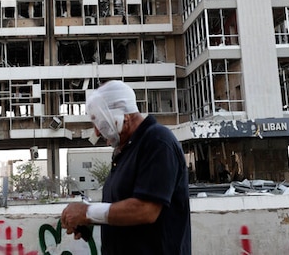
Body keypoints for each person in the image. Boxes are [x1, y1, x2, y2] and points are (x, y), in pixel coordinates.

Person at [60, 80, 191, 254]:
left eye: (100, 123)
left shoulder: (157, 141)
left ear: (124, 117)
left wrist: (87, 212)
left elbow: (146, 210)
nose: (97, 132)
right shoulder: (125, 149)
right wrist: (88, 220)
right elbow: (120, 208)